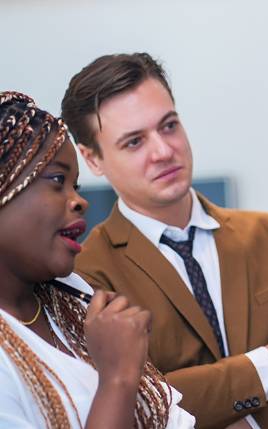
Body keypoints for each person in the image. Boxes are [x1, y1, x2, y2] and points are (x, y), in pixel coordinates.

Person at [60, 54, 268, 429]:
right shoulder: (84, 275)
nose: (163, 151)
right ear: (93, 159)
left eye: (169, 125)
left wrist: (254, 425)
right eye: (134, 142)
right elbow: (138, 400)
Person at [0, 91, 195, 428]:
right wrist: (118, 376)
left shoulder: (67, 291)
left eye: (76, 185)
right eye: (58, 180)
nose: (80, 202)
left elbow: (170, 417)